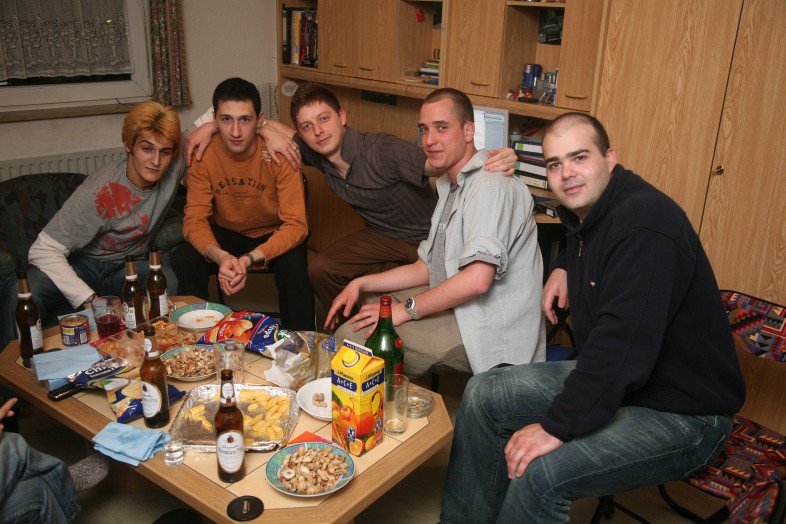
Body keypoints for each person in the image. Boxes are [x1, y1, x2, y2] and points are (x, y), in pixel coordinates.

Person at [439, 113, 746, 523]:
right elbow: (591, 238)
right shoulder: (600, 209)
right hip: (634, 383)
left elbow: (620, 350)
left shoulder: (646, 225)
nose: (567, 173)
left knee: (541, 472)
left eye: (579, 157)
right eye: (555, 163)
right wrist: (565, 264)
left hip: (686, 413)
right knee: (484, 393)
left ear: (610, 158)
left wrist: (554, 427)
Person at [188, 81, 517, 319]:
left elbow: (438, 161)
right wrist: (209, 127)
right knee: (320, 268)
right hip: (381, 236)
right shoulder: (316, 152)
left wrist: (490, 157)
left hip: (427, 236)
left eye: (324, 119)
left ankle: (387, 303)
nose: (318, 131)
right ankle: (352, 328)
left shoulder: (383, 150)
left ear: (342, 116)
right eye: (307, 126)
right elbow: (255, 127)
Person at [325, 88, 545, 378]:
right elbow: (427, 266)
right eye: (424, 129)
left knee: (354, 338)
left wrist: (407, 309)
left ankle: (373, 402)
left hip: (488, 325)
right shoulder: (450, 184)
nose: (429, 140)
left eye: (442, 128)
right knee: (372, 301)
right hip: (463, 305)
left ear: (468, 131)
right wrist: (360, 283)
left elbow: (478, 280)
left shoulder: (490, 186)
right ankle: (391, 394)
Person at [0, 102, 185, 349]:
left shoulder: (175, 161)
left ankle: (164, 351)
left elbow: (221, 116)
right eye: (146, 149)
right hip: (83, 264)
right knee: (21, 292)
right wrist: (88, 299)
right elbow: (42, 250)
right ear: (128, 145)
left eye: (165, 152)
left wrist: (207, 128)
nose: (156, 161)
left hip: (127, 265)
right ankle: (11, 369)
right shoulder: (97, 192)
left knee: (166, 280)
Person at [172, 77, 315, 330]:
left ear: (259, 121)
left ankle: (299, 342)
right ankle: (193, 338)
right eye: (227, 119)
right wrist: (221, 256)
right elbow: (194, 220)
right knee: (185, 257)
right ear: (214, 120)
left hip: (274, 231)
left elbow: (296, 225)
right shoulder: (204, 154)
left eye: (245, 120)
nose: (236, 132)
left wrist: (248, 259)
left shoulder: (279, 151)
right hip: (227, 232)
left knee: (294, 267)